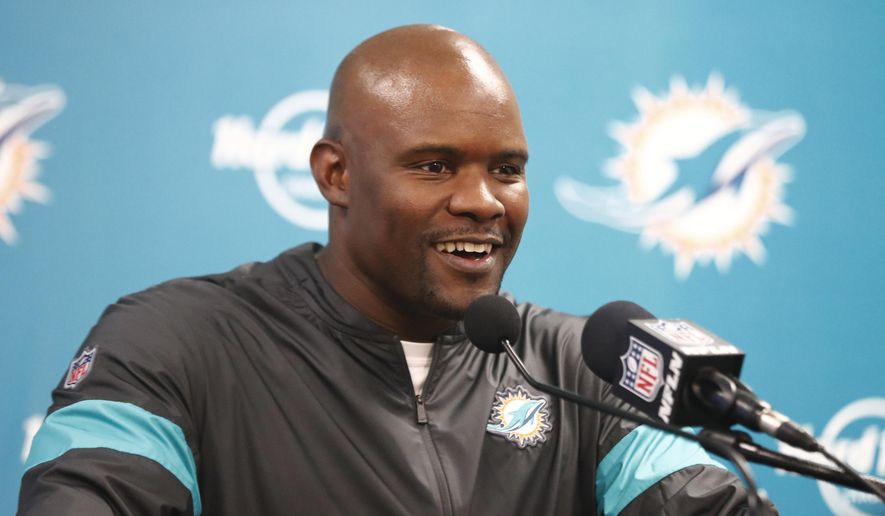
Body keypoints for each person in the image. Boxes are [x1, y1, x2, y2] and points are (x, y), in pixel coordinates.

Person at [19, 25, 762, 515]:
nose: (481, 202)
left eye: (506, 169)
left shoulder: (580, 366)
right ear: (336, 174)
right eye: (433, 166)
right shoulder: (174, 341)